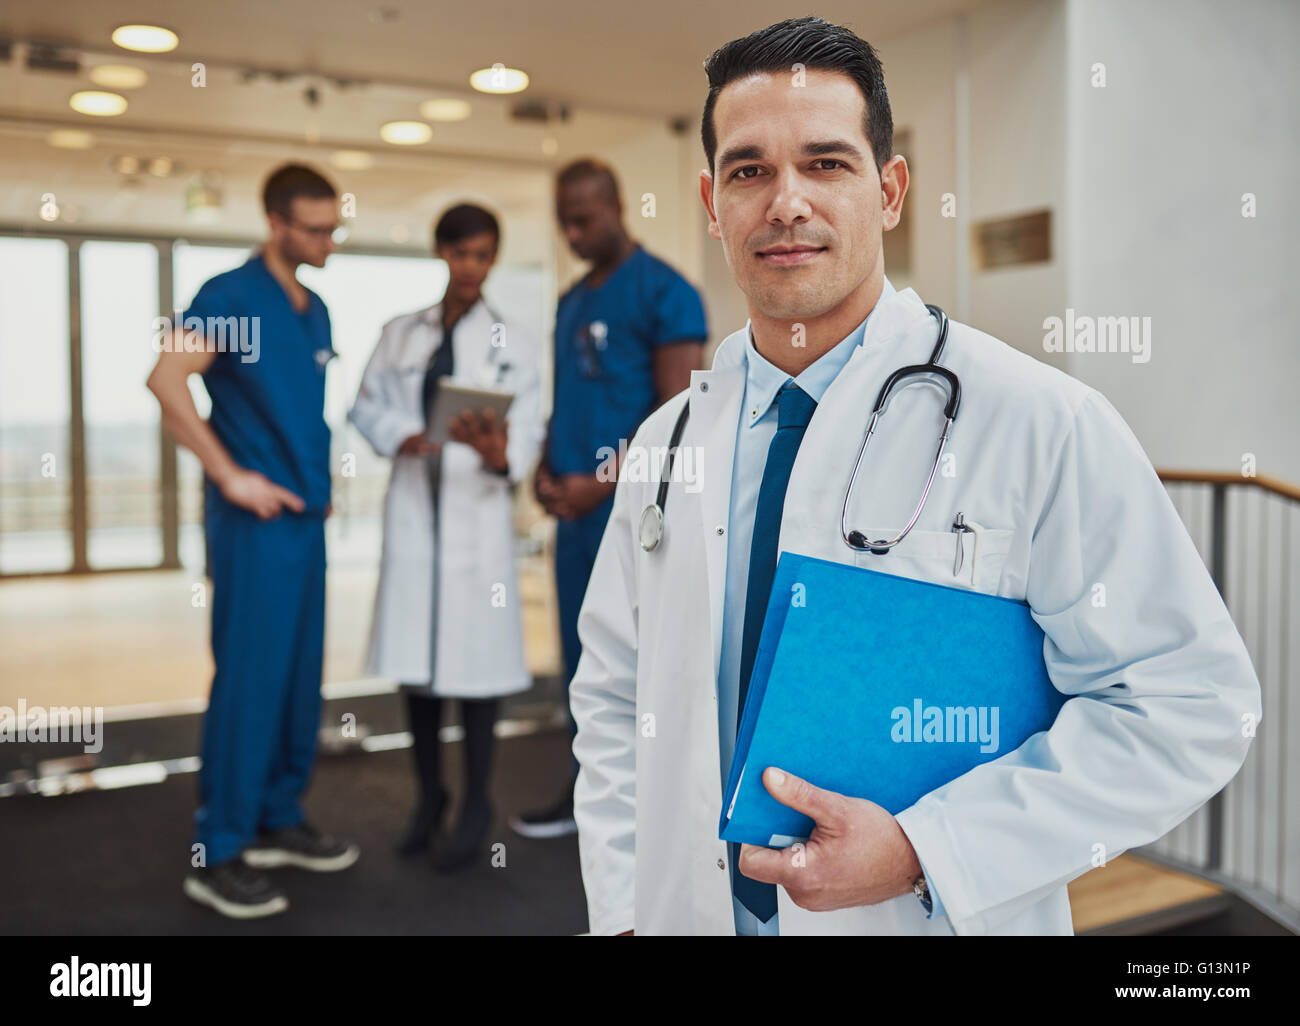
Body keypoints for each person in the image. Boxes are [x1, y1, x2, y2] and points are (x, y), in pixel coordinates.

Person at [568, 16, 1262, 936]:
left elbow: (1187, 704)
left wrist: (928, 848)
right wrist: (620, 910)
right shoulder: (664, 446)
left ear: (890, 190)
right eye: (749, 170)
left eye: (826, 163)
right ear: (710, 202)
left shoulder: (1039, 422)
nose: (785, 203)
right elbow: (613, 699)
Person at [148, 163, 359, 920]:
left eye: (335, 226)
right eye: (314, 228)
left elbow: (302, 411)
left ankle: (276, 816)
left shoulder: (318, 309)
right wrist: (232, 476)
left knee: (301, 679)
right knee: (249, 680)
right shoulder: (229, 297)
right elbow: (167, 381)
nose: (328, 239)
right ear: (275, 223)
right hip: (255, 525)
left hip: (305, 522)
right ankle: (221, 849)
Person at [510, 159, 708, 839]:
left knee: (642, 658)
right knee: (581, 657)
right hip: (574, 513)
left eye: (584, 218)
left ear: (619, 206)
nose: (572, 231)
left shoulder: (667, 293)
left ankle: (657, 808)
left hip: (637, 514)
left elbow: (679, 413)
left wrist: (599, 485)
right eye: (564, 218)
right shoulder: (571, 300)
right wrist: (543, 466)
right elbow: (565, 397)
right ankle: (588, 793)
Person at [349, 204, 543, 872]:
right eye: (461, 254)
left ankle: (476, 805)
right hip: (415, 514)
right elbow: (363, 405)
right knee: (419, 674)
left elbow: (531, 435)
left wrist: (498, 454)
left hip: (475, 523)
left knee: (478, 676)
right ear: (441, 254)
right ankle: (428, 797)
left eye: (483, 255)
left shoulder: (514, 341)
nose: (471, 267)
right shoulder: (400, 334)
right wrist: (394, 433)